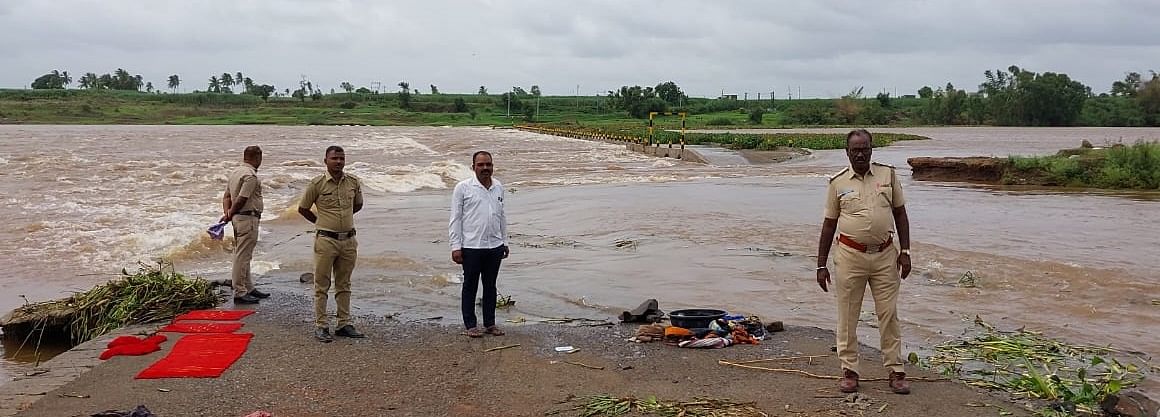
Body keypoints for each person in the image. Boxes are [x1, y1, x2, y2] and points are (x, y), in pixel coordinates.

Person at [815, 129, 912, 395]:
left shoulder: (888, 175)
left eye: (865, 148)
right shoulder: (837, 182)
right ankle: (850, 371)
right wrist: (821, 265)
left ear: (871, 150)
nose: (860, 153)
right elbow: (829, 225)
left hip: (885, 255)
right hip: (849, 256)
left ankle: (896, 370)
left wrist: (906, 251)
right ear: (847, 153)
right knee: (847, 315)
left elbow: (901, 214)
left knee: (888, 314)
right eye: (855, 149)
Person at [297, 146, 365, 343]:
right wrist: (322, 222)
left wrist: (343, 218)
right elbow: (303, 208)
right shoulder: (317, 184)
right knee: (322, 285)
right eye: (334, 158)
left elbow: (358, 205)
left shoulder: (353, 182)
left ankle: (344, 323)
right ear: (325, 160)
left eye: (341, 158)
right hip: (326, 240)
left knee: (344, 284)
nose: (338, 162)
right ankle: (321, 326)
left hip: (348, 240)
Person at [449, 151, 509, 338]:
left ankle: (490, 324)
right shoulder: (463, 188)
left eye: (488, 165)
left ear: (493, 166)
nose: (485, 168)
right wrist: (455, 246)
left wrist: (504, 242)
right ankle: (471, 325)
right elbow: (455, 219)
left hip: (494, 246)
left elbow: (501, 216)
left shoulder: (498, 187)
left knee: (490, 286)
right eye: (481, 165)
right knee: (470, 285)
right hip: (471, 247)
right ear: (473, 167)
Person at [221, 145, 268, 305]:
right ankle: (240, 291)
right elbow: (241, 198)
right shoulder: (250, 176)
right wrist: (231, 213)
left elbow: (227, 197)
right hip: (248, 218)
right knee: (242, 255)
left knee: (244, 253)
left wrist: (228, 213)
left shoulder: (235, 172)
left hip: (237, 218)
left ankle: (248, 287)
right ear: (257, 158)